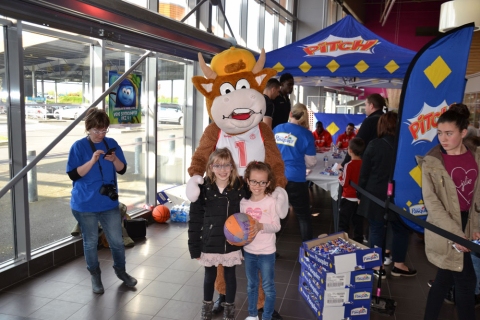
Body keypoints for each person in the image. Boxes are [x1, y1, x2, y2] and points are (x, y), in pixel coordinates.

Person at [66, 108, 137, 294]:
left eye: (104, 130)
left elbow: (122, 169)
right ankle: (95, 276)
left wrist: (114, 159)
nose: (100, 134)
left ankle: (121, 272)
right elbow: (73, 175)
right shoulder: (78, 146)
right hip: (85, 203)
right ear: (88, 128)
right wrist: (91, 160)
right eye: (96, 130)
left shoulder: (111, 143)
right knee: (90, 242)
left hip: (108, 203)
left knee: (117, 242)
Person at [421, 104, 480, 320]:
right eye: (439, 133)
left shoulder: (476, 157)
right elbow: (432, 203)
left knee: (445, 278)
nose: (443, 139)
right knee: (466, 282)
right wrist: (455, 234)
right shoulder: (432, 161)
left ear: (463, 133)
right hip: (446, 225)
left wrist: (476, 227)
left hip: (470, 223)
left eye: (449, 133)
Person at [188, 148, 246, 320]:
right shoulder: (202, 190)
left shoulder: (239, 188)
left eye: (226, 165)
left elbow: (253, 205)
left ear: (232, 167)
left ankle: (229, 310)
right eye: (218, 165)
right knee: (209, 276)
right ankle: (206, 308)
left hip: (230, 243)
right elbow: (195, 220)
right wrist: (194, 248)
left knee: (230, 276)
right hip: (209, 242)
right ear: (210, 167)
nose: (222, 170)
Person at [357, 112, 416, 279]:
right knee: (401, 229)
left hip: (375, 193)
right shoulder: (405, 146)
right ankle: (399, 264)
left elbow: (364, 172)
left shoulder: (374, 145)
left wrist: (359, 192)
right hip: (400, 194)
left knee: (376, 229)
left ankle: (377, 265)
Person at [242, 161, 281, 320]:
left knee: (268, 287)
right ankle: (252, 315)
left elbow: (276, 226)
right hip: (249, 252)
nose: (257, 185)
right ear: (247, 181)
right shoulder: (243, 203)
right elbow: (240, 227)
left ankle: (267, 316)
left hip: (266, 252)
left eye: (262, 182)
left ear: (268, 183)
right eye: (254, 181)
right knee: (251, 286)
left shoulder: (271, 202)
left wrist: (260, 226)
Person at [273, 103, 317, 241]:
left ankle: (269, 249)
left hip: (276, 178)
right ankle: (307, 251)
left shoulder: (277, 128)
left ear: (290, 114)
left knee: (273, 215)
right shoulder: (307, 134)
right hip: (296, 179)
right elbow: (311, 162)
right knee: (303, 216)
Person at [341, 93, 385, 167]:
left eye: (365, 105)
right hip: (385, 161)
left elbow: (357, 143)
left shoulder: (370, 121)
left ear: (371, 106)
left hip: (369, 162)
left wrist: (344, 164)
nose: (365, 108)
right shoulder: (387, 120)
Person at [338, 137, 365, 243]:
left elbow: (344, 183)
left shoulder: (348, 165)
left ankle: (342, 240)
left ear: (350, 150)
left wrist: (339, 177)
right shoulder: (363, 163)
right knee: (358, 222)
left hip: (348, 197)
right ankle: (358, 240)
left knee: (344, 221)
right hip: (359, 198)